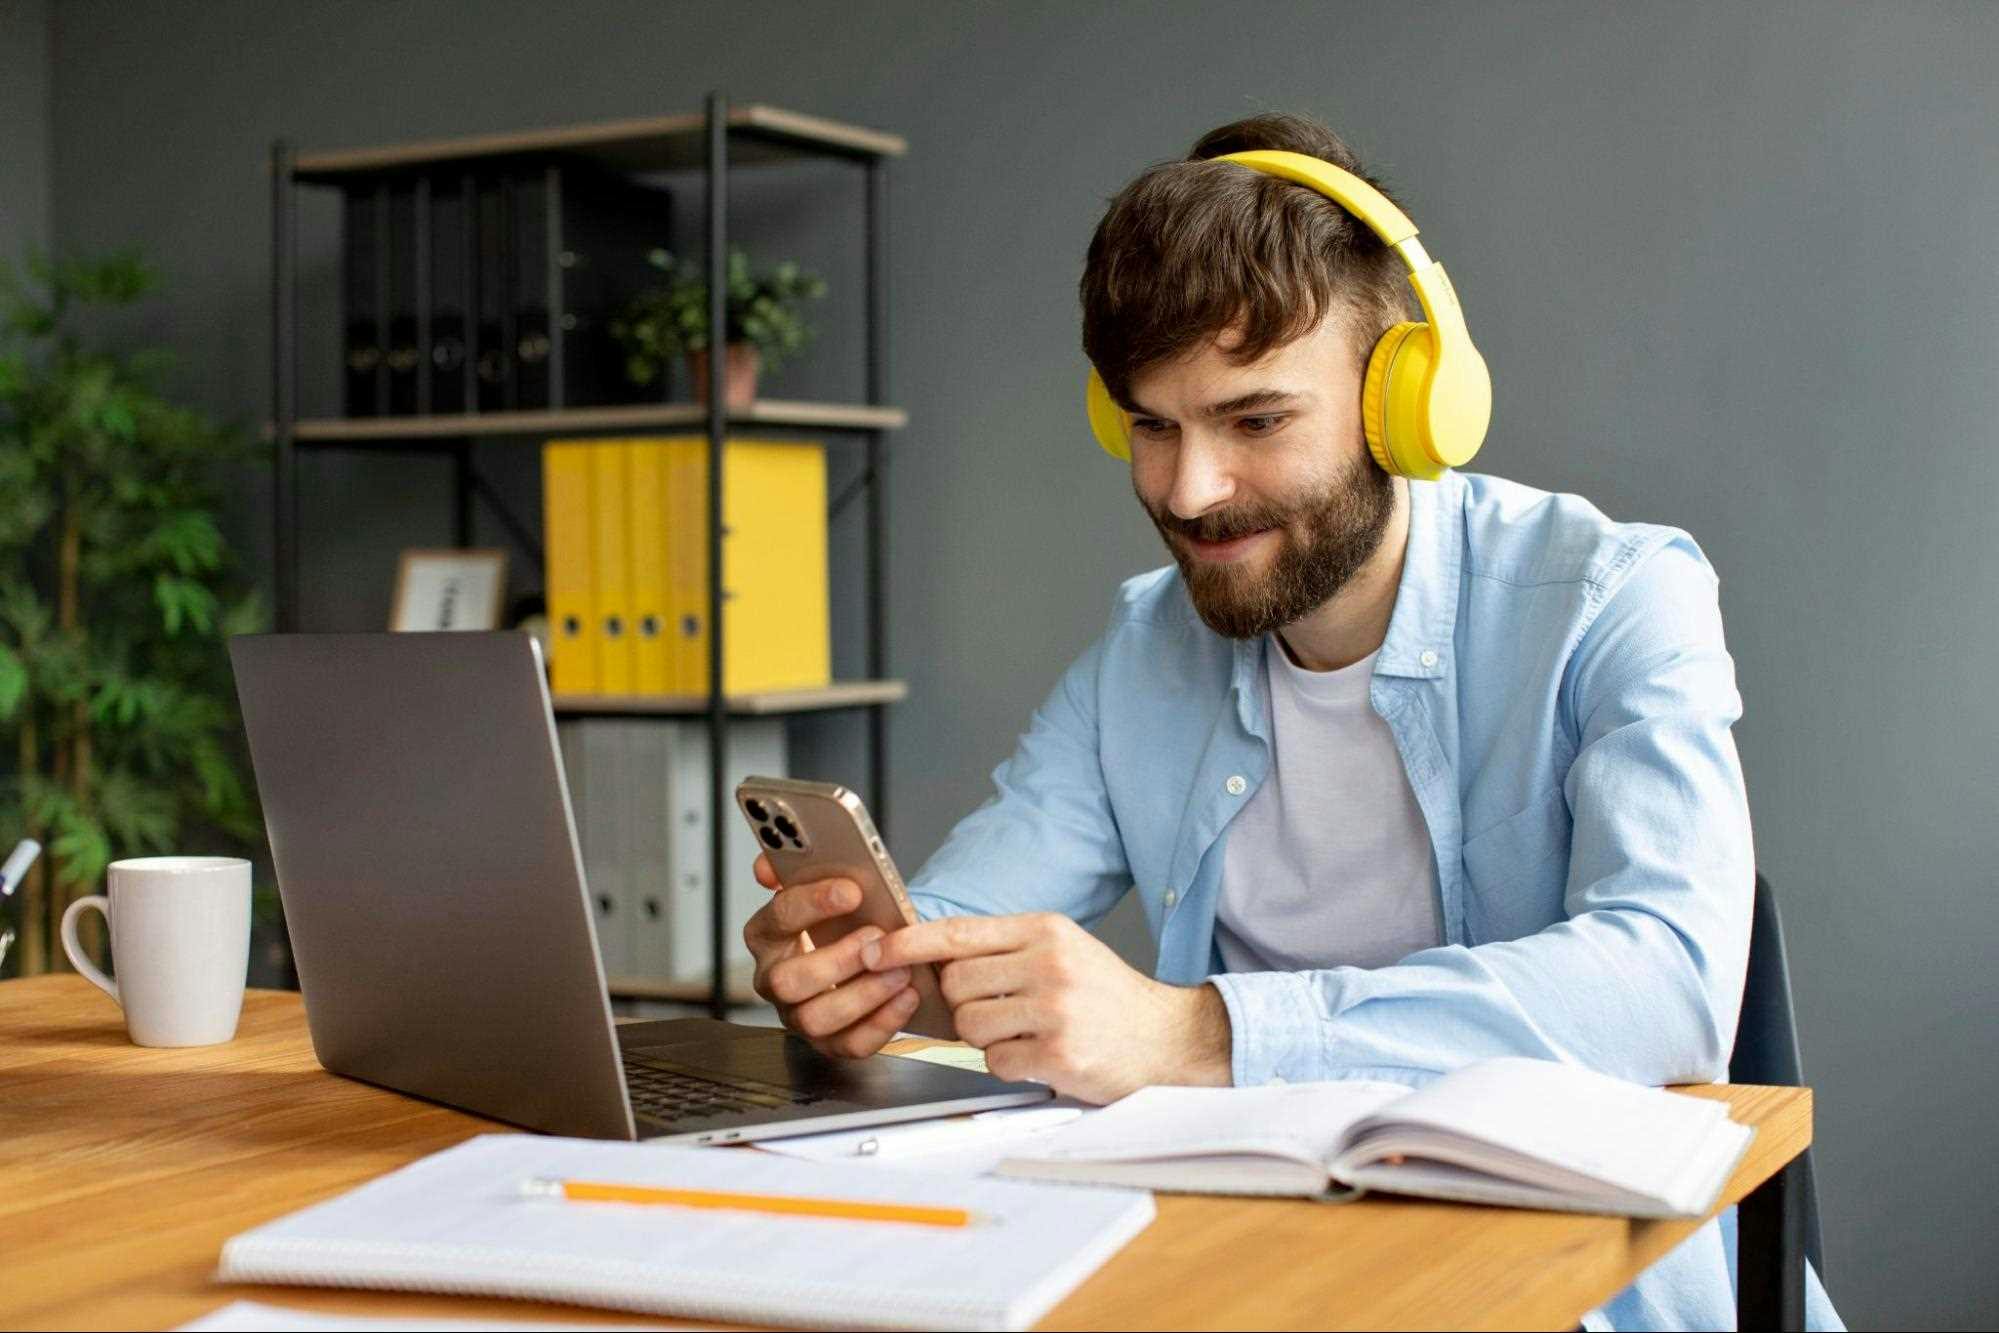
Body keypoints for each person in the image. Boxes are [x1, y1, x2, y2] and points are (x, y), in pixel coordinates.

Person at [742, 111, 1839, 1331]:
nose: (1189, 490)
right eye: (1151, 426)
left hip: (1569, 1291)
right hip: (1244, 1272)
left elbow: (1668, 983)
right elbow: (963, 916)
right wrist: (872, 974)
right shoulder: (1140, 649)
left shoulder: (1615, 598)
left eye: (1254, 421)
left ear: (1403, 401)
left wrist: (1198, 1030)